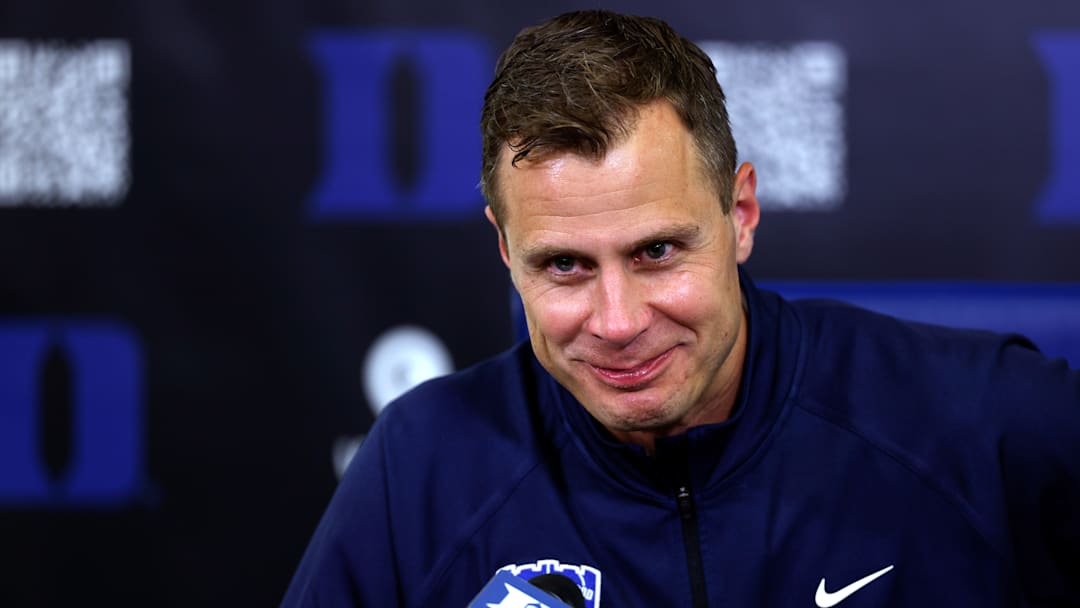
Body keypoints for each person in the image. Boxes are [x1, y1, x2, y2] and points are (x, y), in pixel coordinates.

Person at [283, 10, 1080, 607]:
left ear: (741, 214)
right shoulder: (420, 469)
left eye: (657, 251)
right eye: (564, 265)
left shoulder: (978, 422)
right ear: (504, 251)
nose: (619, 321)